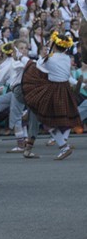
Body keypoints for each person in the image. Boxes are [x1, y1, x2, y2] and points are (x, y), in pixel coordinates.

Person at [21, 31, 81, 160]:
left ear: (55, 44)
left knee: (46, 119)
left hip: (53, 89)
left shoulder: (50, 58)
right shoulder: (66, 57)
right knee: (51, 120)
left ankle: (64, 147)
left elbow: (38, 66)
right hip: (64, 88)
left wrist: (44, 54)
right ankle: (63, 146)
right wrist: (48, 51)